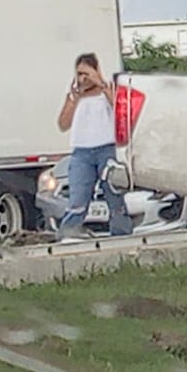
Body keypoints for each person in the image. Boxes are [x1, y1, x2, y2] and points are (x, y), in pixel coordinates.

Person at [55, 53, 133, 237]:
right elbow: (63, 124)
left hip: (107, 149)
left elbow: (122, 111)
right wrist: (74, 99)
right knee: (78, 199)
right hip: (81, 153)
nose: (83, 78)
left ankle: (121, 234)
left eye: (86, 73)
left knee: (114, 196)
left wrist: (101, 84)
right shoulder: (75, 96)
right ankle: (68, 235)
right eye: (79, 74)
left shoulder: (108, 90)